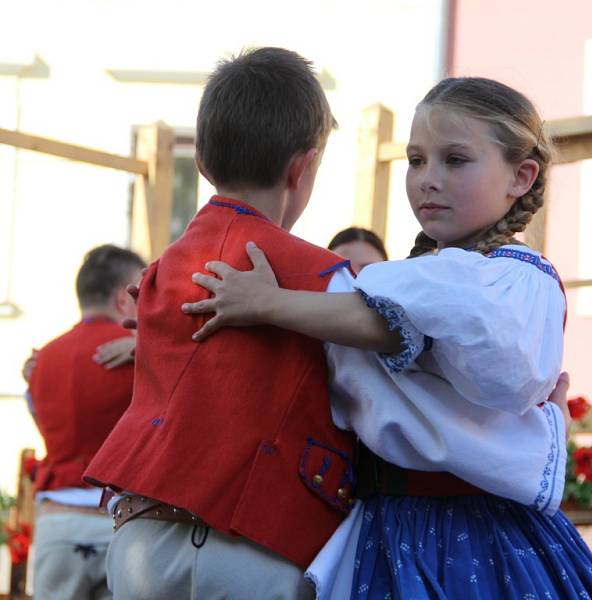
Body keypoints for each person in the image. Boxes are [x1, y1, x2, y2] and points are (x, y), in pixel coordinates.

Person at [183, 77, 592, 599]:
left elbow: (395, 328)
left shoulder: (510, 278)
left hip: (468, 533)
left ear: (521, 177)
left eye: (455, 160)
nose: (427, 179)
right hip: (394, 524)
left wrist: (268, 303)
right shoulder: (431, 275)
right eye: (417, 161)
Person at [83, 48, 358, 600]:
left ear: (202, 164)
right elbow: (368, 406)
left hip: (143, 536)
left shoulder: (159, 273)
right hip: (259, 542)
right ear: (301, 167)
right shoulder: (326, 277)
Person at [26, 244, 144, 599]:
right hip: (121, 522)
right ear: (124, 298)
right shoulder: (141, 353)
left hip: (56, 523)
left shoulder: (42, 359)